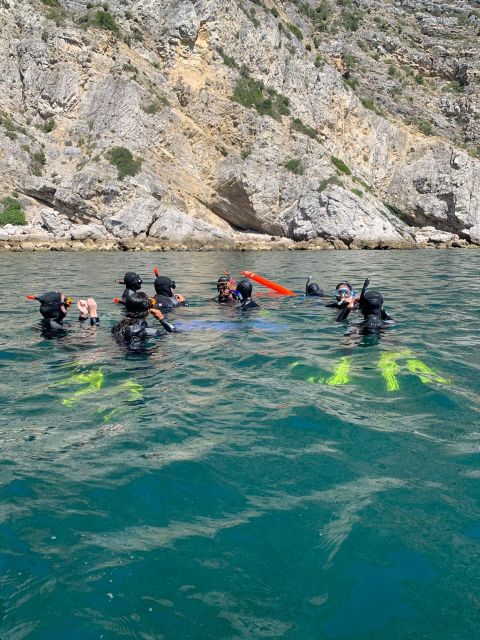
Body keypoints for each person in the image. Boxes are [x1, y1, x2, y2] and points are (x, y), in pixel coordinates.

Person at [30, 291, 99, 336]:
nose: (68, 306)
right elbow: (90, 340)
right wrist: (93, 313)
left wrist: (83, 314)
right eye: (67, 303)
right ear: (57, 307)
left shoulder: (48, 323)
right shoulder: (55, 327)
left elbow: (76, 328)